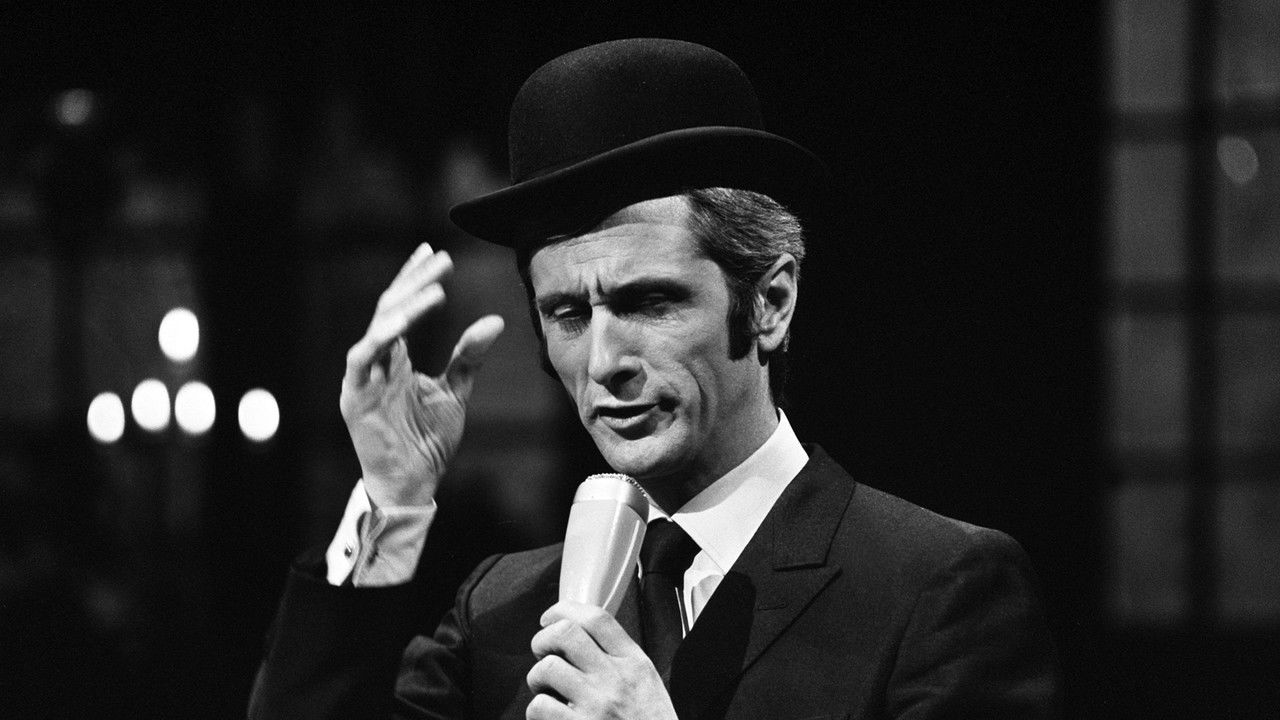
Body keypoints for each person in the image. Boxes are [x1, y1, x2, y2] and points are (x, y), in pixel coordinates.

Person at [249, 38, 1062, 719]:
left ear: (770, 303)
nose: (605, 361)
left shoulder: (933, 588)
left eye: (648, 301)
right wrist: (390, 502)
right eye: (568, 314)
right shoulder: (500, 610)